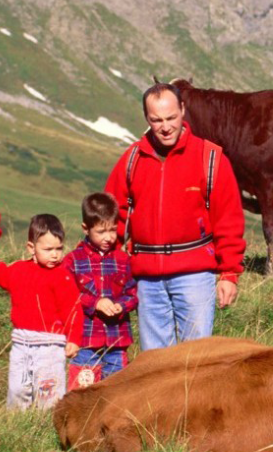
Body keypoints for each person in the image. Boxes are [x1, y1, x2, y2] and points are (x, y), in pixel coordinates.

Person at [105, 82, 245, 350]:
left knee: (197, 360)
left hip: (194, 277)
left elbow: (229, 220)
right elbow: (110, 218)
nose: (165, 126)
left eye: (171, 118)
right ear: (147, 118)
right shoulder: (132, 159)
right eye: (156, 120)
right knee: (154, 364)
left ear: (183, 110)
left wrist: (229, 273)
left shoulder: (211, 157)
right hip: (146, 279)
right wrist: (108, 267)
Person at [0, 214, 79, 410]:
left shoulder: (63, 276)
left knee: (49, 391)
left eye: (59, 249)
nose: (55, 255)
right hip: (21, 344)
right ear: (31, 248)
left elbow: (73, 309)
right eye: (48, 249)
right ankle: (17, 423)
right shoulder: (18, 270)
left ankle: (48, 423)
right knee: (18, 388)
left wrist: (74, 339)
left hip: (51, 346)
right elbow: (2, 275)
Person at [63, 192, 137, 388]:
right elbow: (66, 296)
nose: (109, 237)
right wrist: (95, 303)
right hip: (85, 342)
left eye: (113, 230)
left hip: (117, 342)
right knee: (82, 393)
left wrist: (122, 306)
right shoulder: (73, 260)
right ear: (86, 228)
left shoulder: (123, 260)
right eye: (101, 231)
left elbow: (133, 293)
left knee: (116, 393)